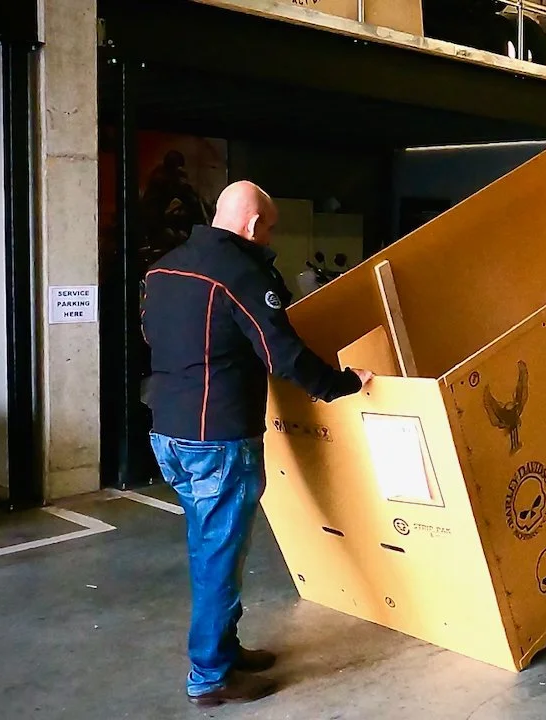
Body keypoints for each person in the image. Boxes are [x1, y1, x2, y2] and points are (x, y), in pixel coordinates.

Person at [141, 180, 373, 707]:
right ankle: (211, 676)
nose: (270, 238)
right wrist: (344, 383)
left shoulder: (163, 267)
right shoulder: (240, 272)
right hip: (218, 438)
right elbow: (283, 353)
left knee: (211, 548)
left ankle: (223, 649)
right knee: (218, 555)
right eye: (269, 227)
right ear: (251, 225)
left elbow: (156, 339)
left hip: (168, 431)